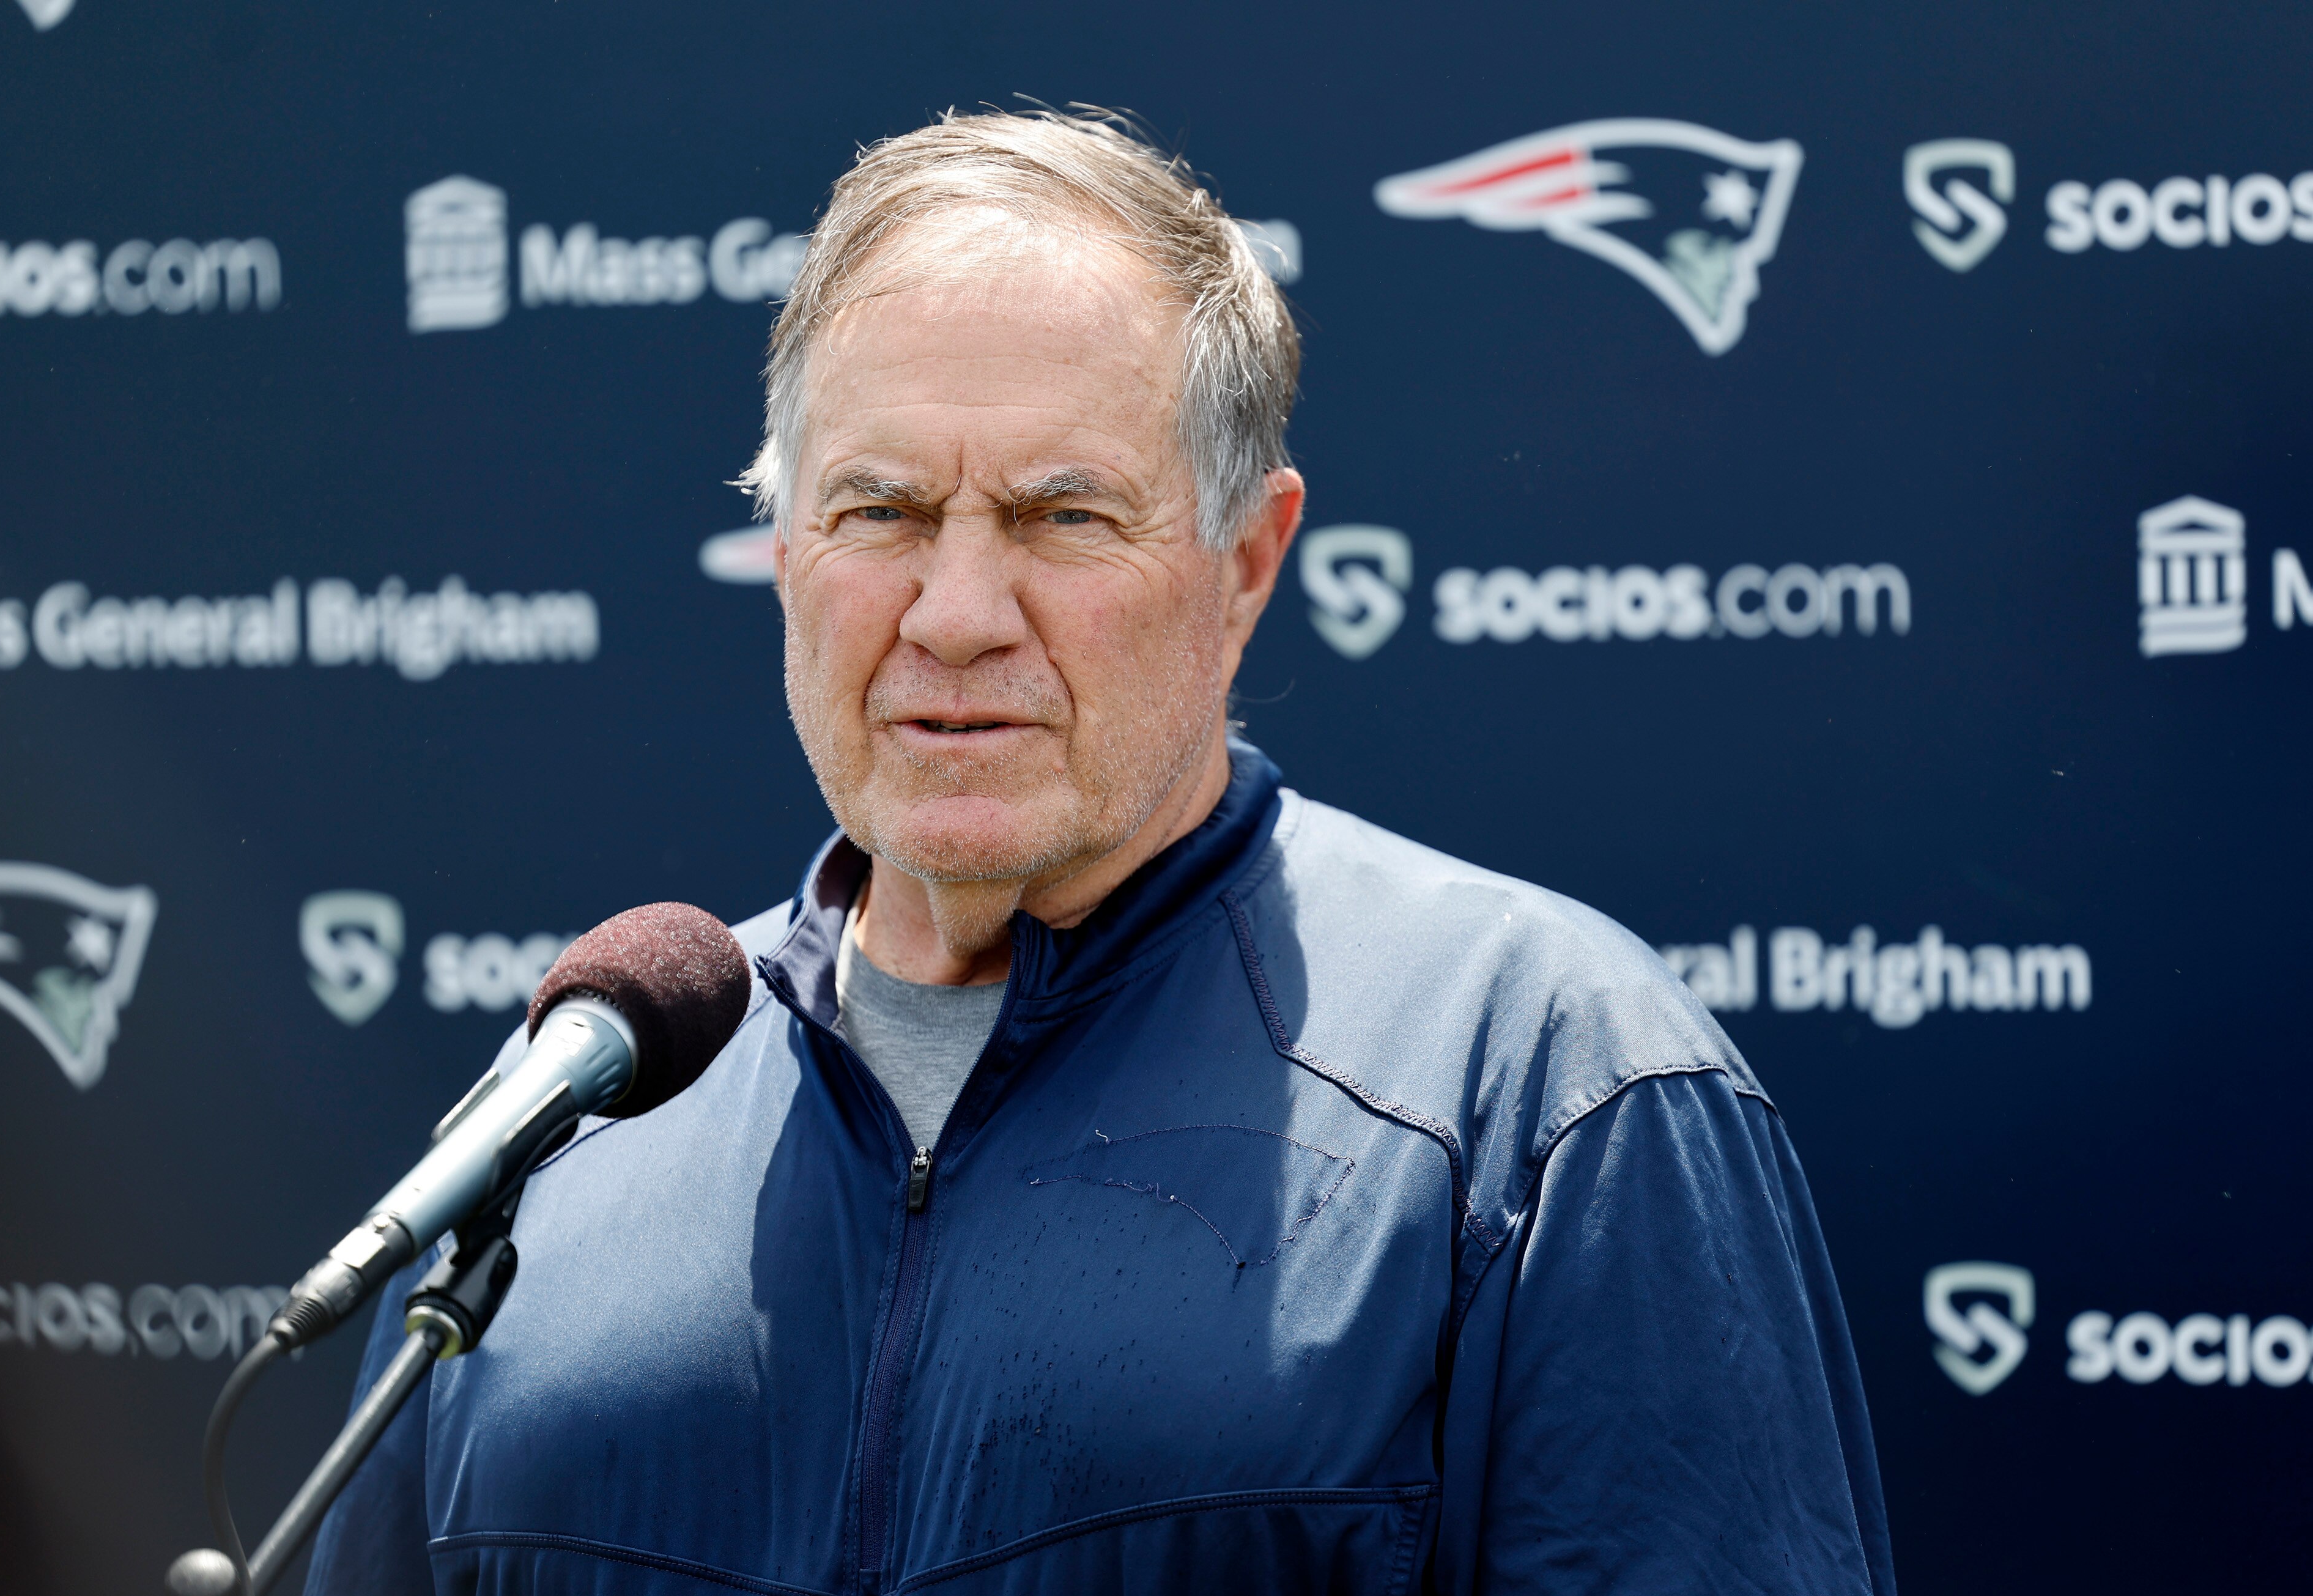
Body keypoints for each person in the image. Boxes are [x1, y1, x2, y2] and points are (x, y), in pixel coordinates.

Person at [308, 108, 1893, 1595]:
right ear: (786, 554)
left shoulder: (1541, 1077)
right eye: (880, 511)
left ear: (1246, 562)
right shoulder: (571, 1117)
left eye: (1065, 517)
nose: (955, 615)